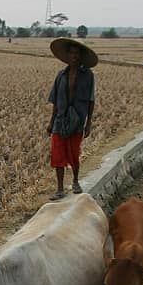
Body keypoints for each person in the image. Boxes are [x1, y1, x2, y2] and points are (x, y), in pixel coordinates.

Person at [47, 37, 97, 200]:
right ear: (67, 56)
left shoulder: (88, 75)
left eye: (77, 54)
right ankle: (60, 188)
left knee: (74, 153)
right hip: (60, 120)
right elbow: (55, 100)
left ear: (80, 56)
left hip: (77, 120)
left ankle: (75, 182)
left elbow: (90, 100)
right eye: (71, 53)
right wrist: (51, 121)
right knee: (57, 153)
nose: (74, 56)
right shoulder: (61, 75)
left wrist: (88, 123)